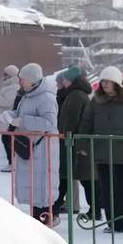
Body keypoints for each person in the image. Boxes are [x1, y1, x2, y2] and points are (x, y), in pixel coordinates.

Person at [79, 66, 123, 234]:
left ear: (117, 83)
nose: (105, 85)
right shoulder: (95, 102)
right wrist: (83, 146)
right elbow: (86, 125)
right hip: (103, 154)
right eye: (103, 81)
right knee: (108, 191)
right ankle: (116, 223)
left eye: (108, 81)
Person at [7, 63, 59, 225]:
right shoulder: (28, 96)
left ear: (32, 80)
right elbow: (23, 113)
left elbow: (49, 123)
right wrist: (10, 116)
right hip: (31, 148)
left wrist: (22, 121)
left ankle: (45, 220)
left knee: (42, 189)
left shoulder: (46, 98)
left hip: (42, 150)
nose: (20, 82)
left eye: (23, 79)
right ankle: (38, 220)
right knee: (33, 187)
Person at [52, 67, 101, 224]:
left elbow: (70, 120)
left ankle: (94, 210)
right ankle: (94, 209)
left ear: (72, 80)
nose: (63, 81)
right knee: (79, 178)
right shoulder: (76, 94)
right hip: (74, 142)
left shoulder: (75, 96)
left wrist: (64, 135)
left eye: (65, 79)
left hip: (72, 143)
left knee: (77, 178)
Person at [0, 65, 20, 169]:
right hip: (6, 118)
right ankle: (11, 162)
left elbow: (7, 101)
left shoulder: (14, 87)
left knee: (8, 141)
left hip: (9, 118)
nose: (4, 76)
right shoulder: (9, 86)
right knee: (7, 140)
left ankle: (12, 163)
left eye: (6, 74)